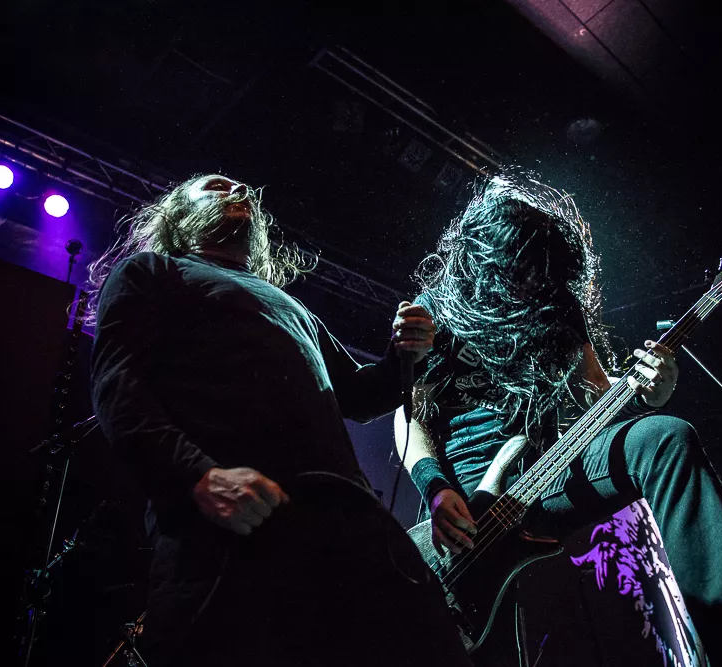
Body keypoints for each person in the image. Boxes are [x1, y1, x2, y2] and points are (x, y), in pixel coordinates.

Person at [394, 175, 722, 666]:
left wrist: (650, 393)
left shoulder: (556, 304)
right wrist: (435, 488)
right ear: (490, 260)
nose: (535, 285)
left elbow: (599, 396)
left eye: (543, 274)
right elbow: (408, 417)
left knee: (664, 438)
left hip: (547, 471)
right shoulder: (437, 312)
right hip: (468, 503)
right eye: (525, 271)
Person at [89, 174, 472, 666]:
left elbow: (359, 396)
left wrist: (404, 355)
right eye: (217, 186)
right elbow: (118, 388)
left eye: (242, 188)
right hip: (237, 526)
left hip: (348, 524)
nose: (239, 191)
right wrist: (199, 476)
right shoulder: (153, 272)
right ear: (177, 215)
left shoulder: (291, 306)